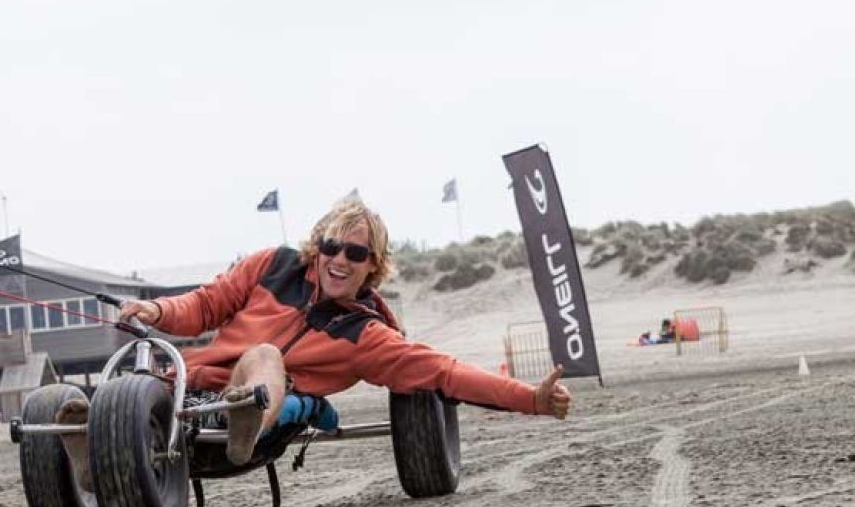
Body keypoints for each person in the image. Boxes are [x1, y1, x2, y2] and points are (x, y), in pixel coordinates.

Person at [79, 199, 572, 467]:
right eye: (333, 246)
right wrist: (154, 309)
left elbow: (444, 373)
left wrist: (530, 398)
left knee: (265, 355)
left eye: (356, 254)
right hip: (192, 387)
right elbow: (205, 305)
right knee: (86, 403)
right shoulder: (271, 266)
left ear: (372, 267)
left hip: (260, 414)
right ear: (318, 247)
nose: (340, 259)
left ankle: (241, 420)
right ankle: (85, 462)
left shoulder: (365, 334)